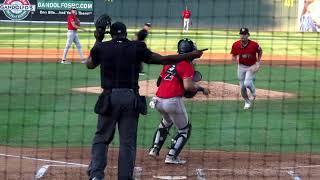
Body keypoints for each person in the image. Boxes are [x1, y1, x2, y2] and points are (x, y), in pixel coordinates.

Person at [86, 22, 204, 180]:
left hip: (109, 98)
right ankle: (125, 177)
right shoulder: (136, 47)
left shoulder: (102, 47)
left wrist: (98, 39)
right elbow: (165, 59)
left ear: (111, 34)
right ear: (126, 33)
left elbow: (90, 64)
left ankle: (96, 175)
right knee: (127, 142)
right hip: (130, 99)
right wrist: (191, 55)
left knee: (101, 137)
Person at [148, 38, 210, 164]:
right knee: (184, 130)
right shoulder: (187, 65)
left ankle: (154, 149)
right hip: (172, 102)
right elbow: (187, 87)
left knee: (166, 122)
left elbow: (159, 82)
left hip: (158, 101)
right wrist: (197, 88)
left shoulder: (169, 62)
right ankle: (171, 156)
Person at [230, 28, 262, 110]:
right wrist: (234, 58)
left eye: (244, 34)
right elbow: (233, 55)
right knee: (242, 88)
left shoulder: (254, 44)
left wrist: (258, 62)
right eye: (241, 34)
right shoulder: (236, 44)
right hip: (241, 67)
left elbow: (260, 51)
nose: (243, 36)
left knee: (247, 83)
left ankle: (253, 93)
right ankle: (247, 102)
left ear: (248, 35)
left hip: (252, 66)